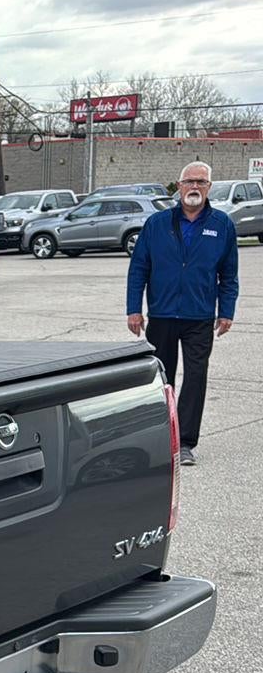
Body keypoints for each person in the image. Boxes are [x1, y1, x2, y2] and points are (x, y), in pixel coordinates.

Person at [126, 161, 238, 466]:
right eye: (189, 181)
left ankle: (186, 442)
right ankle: (162, 437)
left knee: (196, 376)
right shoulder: (157, 223)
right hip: (161, 314)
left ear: (209, 188)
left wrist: (226, 311)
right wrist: (134, 309)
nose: (195, 187)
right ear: (179, 186)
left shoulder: (222, 225)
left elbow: (229, 276)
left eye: (201, 182)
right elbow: (139, 269)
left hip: (199, 316)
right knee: (161, 378)